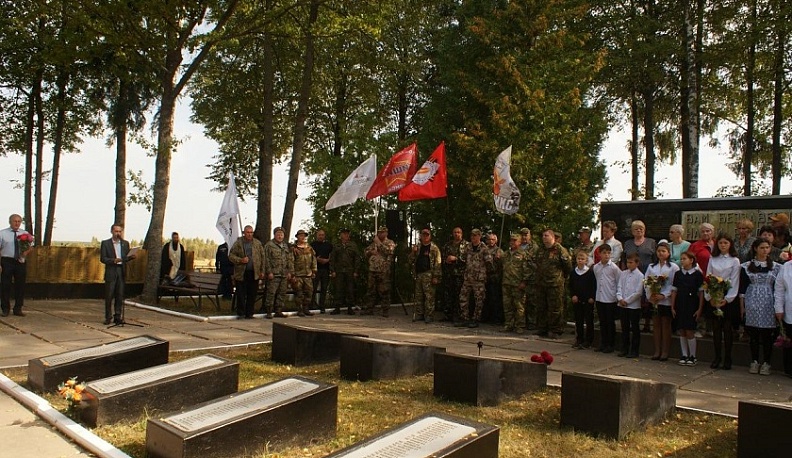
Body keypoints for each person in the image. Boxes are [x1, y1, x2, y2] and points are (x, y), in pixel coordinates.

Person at [740, 237, 781, 375]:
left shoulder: (776, 267)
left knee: (767, 334)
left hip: (769, 301)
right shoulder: (746, 266)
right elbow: (742, 288)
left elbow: (778, 287)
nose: (764, 250)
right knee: (754, 334)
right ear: (755, 249)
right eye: (762, 247)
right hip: (752, 300)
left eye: (767, 247)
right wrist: (742, 307)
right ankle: (755, 361)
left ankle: (767, 363)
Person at [705, 234, 741, 370]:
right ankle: (717, 356)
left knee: (727, 328)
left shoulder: (734, 260)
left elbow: (735, 280)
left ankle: (727, 358)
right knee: (716, 328)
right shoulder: (712, 258)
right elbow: (708, 277)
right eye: (720, 243)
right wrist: (710, 297)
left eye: (726, 243)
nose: (723, 245)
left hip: (727, 296)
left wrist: (727, 298)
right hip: (714, 294)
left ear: (730, 244)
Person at [533, 228, 572, 339]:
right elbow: (537, 263)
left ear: (552, 237)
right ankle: (542, 328)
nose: (544, 238)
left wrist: (561, 277)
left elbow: (568, 267)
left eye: (546, 236)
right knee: (542, 307)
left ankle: (556, 330)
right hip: (541, 283)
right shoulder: (540, 250)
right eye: (543, 236)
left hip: (555, 283)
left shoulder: (560, 250)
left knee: (555, 308)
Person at [645, 240, 680, 361]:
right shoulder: (651, 266)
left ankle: (665, 351)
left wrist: (664, 295)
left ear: (668, 253)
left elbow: (674, 284)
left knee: (665, 325)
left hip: (666, 300)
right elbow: (646, 282)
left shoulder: (673, 267)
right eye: (659, 251)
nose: (661, 253)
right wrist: (651, 295)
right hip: (654, 300)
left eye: (663, 251)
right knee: (656, 325)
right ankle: (657, 350)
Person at [622, 220, 656, 334]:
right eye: (636, 228)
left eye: (641, 228)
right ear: (632, 231)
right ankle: (632, 323)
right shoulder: (627, 243)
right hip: (631, 275)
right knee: (632, 297)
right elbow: (623, 259)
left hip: (646, 273)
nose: (639, 230)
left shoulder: (651, 242)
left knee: (646, 299)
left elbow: (655, 259)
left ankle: (647, 323)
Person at [671, 251, 705, 366]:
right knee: (682, 330)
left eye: (684, 258)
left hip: (691, 304)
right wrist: (672, 306)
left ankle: (693, 356)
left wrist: (699, 308)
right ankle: (684, 354)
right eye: (681, 259)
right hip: (680, 303)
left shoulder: (697, 275)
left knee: (690, 330)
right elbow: (674, 290)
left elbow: (700, 292)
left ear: (691, 260)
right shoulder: (678, 274)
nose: (682, 261)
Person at [455, 229, 492, 328]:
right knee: (463, 298)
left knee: (479, 300)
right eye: (472, 236)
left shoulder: (484, 248)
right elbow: (463, 259)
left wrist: (483, 274)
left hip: (479, 279)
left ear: (479, 236)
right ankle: (465, 318)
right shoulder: (468, 247)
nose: (473, 238)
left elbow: (489, 263)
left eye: (476, 236)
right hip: (468, 278)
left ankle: (476, 319)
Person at [99, 224, 136, 324]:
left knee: (120, 295)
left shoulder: (125, 243)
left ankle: (118, 316)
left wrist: (131, 257)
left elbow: (125, 257)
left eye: (120, 231)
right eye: (116, 231)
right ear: (112, 231)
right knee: (109, 295)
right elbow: (103, 258)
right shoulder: (105, 243)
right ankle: (108, 317)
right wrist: (113, 260)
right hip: (111, 270)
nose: (118, 233)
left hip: (121, 270)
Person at [228, 225, 266, 319]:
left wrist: (262, 271)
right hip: (242, 273)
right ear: (244, 233)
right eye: (247, 232)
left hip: (254, 273)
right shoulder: (238, 243)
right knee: (241, 294)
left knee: (252, 294)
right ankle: (241, 312)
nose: (249, 234)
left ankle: (250, 313)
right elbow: (231, 256)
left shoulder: (257, 243)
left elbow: (263, 257)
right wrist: (240, 260)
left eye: (251, 232)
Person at [0, 214, 33, 317]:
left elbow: (31, 246)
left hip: (20, 261)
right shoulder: (2, 234)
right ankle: (5, 309)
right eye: (15, 221)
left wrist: (26, 252)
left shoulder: (25, 234)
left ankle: (18, 308)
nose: (17, 223)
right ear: (10, 222)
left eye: (19, 221)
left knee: (20, 285)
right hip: (7, 261)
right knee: (5, 285)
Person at [409, 227, 442, 323]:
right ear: (421, 236)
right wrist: (413, 252)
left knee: (429, 296)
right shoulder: (418, 247)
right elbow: (410, 260)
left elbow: (438, 262)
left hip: (429, 274)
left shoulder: (434, 248)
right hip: (419, 274)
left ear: (430, 236)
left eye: (427, 235)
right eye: (423, 235)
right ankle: (419, 314)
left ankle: (429, 315)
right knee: (419, 296)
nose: (425, 237)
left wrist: (436, 276)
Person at [500, 233, 531, 334]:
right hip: (506, 283)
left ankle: (520, 326)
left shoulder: (523, 254)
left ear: (519, 242)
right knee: (507, 306)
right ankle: (509, 324)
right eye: (511, 240)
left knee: (519, 306)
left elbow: (528, 270)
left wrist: (524, 282)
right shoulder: (506, 254)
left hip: (518, 284)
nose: (512, 242)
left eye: (515, 240)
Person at [592, 243, 620, 352]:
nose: (607, 255)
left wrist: (617, 295)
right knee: (602, 322)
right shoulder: (596, 267)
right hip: (600, 298)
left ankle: (610, 344)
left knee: (610, 322)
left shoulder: (614, 268)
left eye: (609, 253)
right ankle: (603, 343)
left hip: (610, 298)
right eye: (604, 253)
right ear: (600, 254)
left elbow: (619, 281)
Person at [363, 226, 396, 317]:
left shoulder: (390, 243)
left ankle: (385, 310)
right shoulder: (373, 244)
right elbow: (365, 252)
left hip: (383, 270)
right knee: (371, 290)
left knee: (384, 290)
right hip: (373, 269)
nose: (380, 234)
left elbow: (389, 252)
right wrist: (370, 252)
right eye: (379, 232)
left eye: (382, 232)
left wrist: (379, 243)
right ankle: (369, 309)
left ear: (386, 233)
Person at [617, 253, 645, 358]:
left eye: (631, 262)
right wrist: (620, 298)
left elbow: (638, 292)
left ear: (637, 263)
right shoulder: (623, 273)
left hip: (633, 306)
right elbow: (619, 287)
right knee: (624, 328)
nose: (629, 265)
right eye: (627, 262)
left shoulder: (640, 275)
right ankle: (624, 348)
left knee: (634, 328)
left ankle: (634, 350)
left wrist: (627, 301)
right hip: (622, 304)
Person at [263, 227, 293, 318]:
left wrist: (289, 272)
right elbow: (266, 259)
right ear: (274, 235)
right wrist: (269, 272)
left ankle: (278, 310)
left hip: (284, 274)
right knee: (271, 293)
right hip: (274, 274)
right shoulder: (269, 245)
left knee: (282, 293)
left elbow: (289, 259)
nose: (280, 236)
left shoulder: (285, 246)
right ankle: (268, 311)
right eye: (278, 234)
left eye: (281, 234)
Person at [569, 249, 596, 348]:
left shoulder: (589, 272)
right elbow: (571, 285)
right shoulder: (573, 272)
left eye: (582, 259)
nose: (580, 260)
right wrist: (573, 295)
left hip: (588, 300)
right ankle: (579, 339)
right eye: (578, 258)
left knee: (589, 320)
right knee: (578, 320)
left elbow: (593, 286)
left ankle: (589, 340)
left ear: (586, 260)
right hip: (577, 300)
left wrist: (592, 297)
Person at [330, 228, 361, 315]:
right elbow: (332, 259)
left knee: (350, 289)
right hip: (339, 270)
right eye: (344, 234)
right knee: (338, 289)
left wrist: (356, 271)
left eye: (347, 234)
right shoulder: (337, 245)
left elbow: (357, 259)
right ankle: (337, 307)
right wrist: (332, 270)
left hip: (349, 270)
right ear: (341, 235)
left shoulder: (353, 245)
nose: (346, 235)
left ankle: (350, 308)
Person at [441, 227, 468, 322]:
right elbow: (442, 257)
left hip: (460, 274)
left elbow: (469, 260)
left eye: (459, 232)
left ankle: (458, 316)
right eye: (455, 232)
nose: (457, 234)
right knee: (448, 295)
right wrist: (446, 260)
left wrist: (456, 259)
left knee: (459, 295)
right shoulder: (447, 245)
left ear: (462, 234)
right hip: (449, 273)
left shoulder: (467, 245)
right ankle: (447, 315)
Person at [773, 257, 792, 378]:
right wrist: (779, 308)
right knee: (789, 341)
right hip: (789, 310)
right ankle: (790, 369)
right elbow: (779, 289)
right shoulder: (786, 267)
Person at [292, 229, 316, 317]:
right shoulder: (294, 248)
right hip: (298, 274)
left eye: (304, 236)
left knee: (309, 292)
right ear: (297, 237)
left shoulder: (309, 248)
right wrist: (292, 274)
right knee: (299, 293)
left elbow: (314, 260)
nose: (302, 237)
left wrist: (314, 270)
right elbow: (291, 261)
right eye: (300, 235)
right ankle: (300, 309)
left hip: (308, 274)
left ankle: (306, 308)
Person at [483, 233, 504, 324]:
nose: (491, 241)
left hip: (495, 277)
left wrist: (499, 259)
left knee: (495, 298)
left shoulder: (499, 251)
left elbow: (503, 265)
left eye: (493, 239)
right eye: (489, 239)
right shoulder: (483, 250)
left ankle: (496, 318)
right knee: (485, 298)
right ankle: (485, 317)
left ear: (496, 241)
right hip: (484, 276)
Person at [310, 228, 333, 313]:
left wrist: (327, 260)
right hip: (316, 270)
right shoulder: (312, 245)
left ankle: (322, 306)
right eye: (319, 235)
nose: (321, 236)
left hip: (326, 270)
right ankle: (311, 305)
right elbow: (310, 256)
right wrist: (317, 259)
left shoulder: (329, 245)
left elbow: (332, 256)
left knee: (324, 288)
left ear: (324, 236)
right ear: (316, 235)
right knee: (313, 288)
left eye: (322, 235)